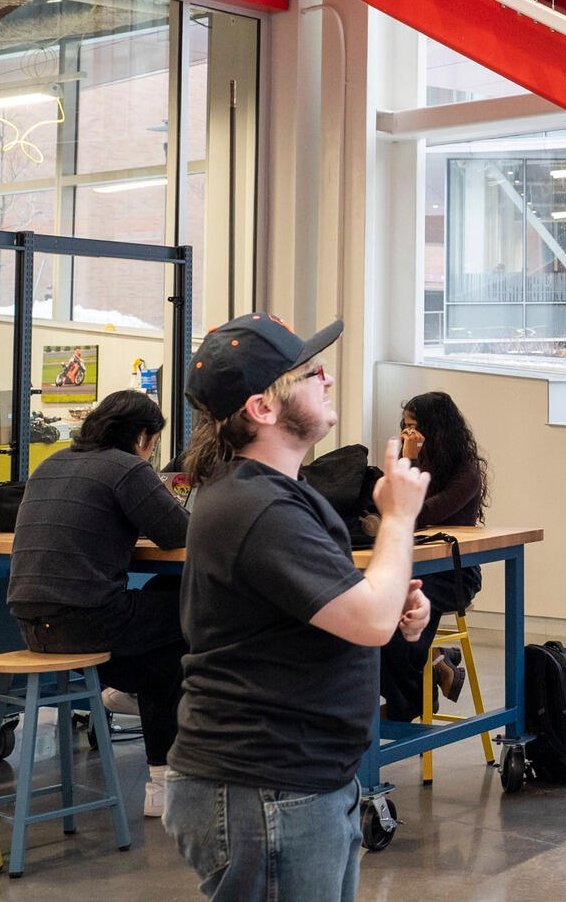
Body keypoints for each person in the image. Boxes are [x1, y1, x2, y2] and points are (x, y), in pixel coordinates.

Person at [162, 314, 431, 902]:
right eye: (309, 373)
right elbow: (369, 620)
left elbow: (358, 612)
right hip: (265, 785)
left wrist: (391, 597)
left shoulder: (277, 492)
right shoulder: (257, 505)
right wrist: (400, 517)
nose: (327, 378)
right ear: (262, 408)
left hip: (299, 777)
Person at [6, 388, 189, 818]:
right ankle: (162, 780)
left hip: (31, 625)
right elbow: (179, 533)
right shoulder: (127, 467)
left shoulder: (51, 463)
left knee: (164, 602)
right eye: (154, 442)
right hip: (87, 621)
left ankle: (129, 693)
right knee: (187, 625)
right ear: (144, 436)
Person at [378, 390, 487, 722]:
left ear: (436, 430)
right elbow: (391, 503)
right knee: (374, 618)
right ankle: (435, 664)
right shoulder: (415, 464)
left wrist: (407, 461)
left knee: (394, 625)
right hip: (412, 564)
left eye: (415, 427)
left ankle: (410, 700)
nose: (408, 435)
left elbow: (419, 512)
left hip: (453, 572)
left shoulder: (467, 472)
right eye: (405, 427)